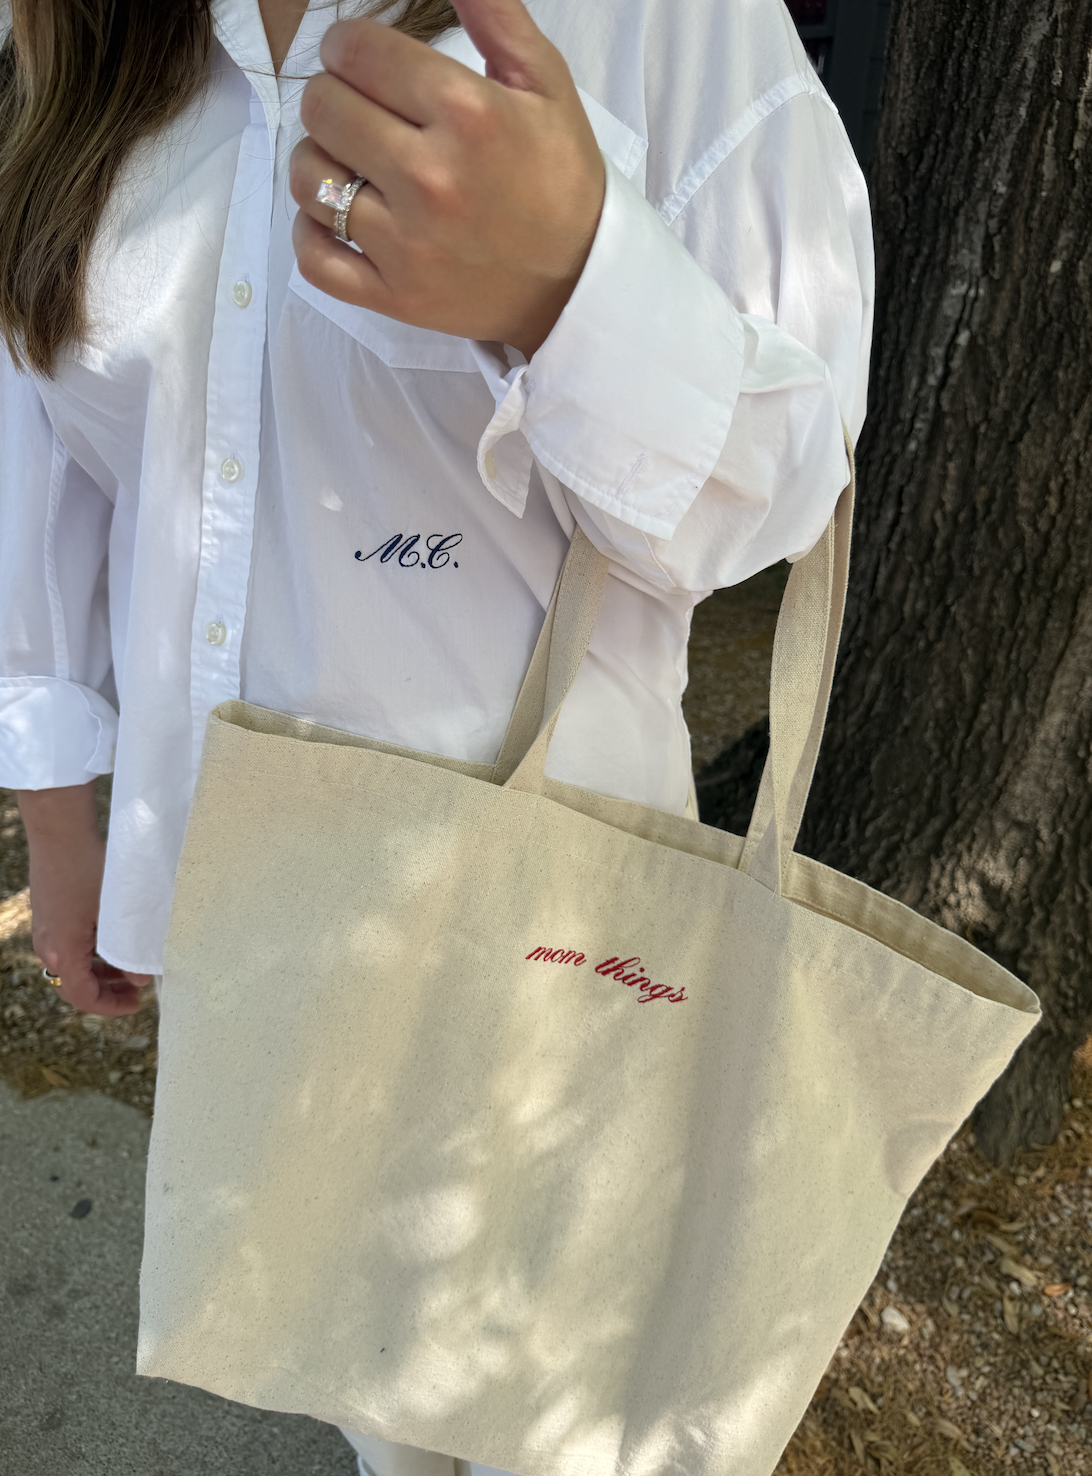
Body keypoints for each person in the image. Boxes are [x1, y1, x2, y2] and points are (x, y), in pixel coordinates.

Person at [0, 0, 873, 1471]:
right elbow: (50, 429)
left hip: (550, 943)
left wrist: (570, 289)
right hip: (251, 910)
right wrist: (64, 815)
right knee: (377, 1394)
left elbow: (790, 484)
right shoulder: (77, 29)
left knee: (574, 1424)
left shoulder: (658, 20)